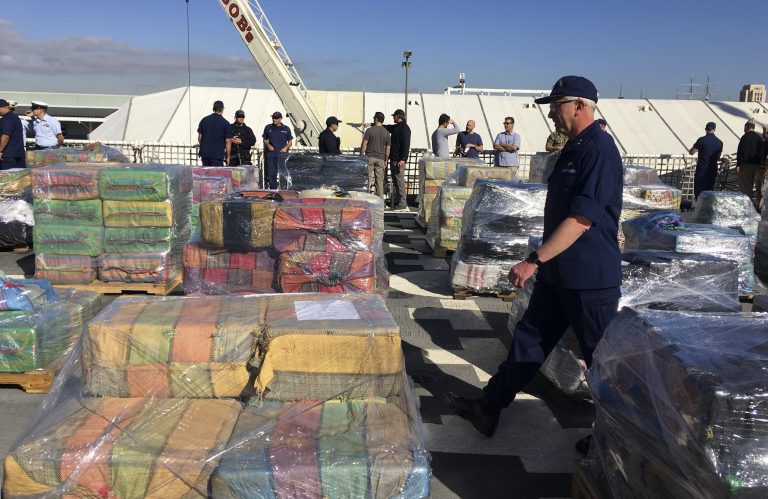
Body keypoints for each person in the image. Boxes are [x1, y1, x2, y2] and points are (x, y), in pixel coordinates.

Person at [447, 76, 623, 448]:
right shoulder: (574, 149)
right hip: (560, 274)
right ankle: (489, 407)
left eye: (556, 106)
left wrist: (534, 260)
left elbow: (581, 219)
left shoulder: (599, 150)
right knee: (528, 343)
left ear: (580, 106)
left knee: (602, 364)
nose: (551, 115)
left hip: (589, 279)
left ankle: (616, 441)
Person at [384, 109, 411, 210]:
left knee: (399, 181)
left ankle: (402, 202)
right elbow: (386, 126)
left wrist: (403, 159)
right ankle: (399, 200)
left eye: (394, 116)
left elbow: (406, 145)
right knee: (396, 180)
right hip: (395, 158)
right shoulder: (397, 127)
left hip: (399, 160)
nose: (393, 118)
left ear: (398, 116)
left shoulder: (405, 128)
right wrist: (373, 124)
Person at [689, 122, 723, 199]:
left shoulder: (701, 140)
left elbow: (691, 152)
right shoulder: (720, 142)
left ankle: (699, 207)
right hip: (713, 169)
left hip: (702, 169)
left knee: (699, 191)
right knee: (710, 191)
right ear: (714, 129)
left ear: (705, 129)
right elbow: (718, 157)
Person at [360, 112, 390, 198]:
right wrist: (386, 160)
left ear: (376, 119)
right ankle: (379, 201)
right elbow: (388, 149)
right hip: (381, 159)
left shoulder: (370, 130)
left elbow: (364, 144)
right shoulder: (386, 133)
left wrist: (361, 156)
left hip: (369, 157)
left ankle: (366, 198)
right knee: (379, 181)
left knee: (367, 179)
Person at [736, 120, 765, 207]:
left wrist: (738, 164)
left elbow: (742, 152)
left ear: (746, 127)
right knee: (759, 187)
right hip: (757, 165)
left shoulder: (745, 137)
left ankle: (747, 207)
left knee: (745, 187)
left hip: (746, 165)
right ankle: (759, 206)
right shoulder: (759, 137)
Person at [262, 111, 293, 189]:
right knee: (271, 172)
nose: (274, 120)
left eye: (276, 118)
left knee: (283, 172)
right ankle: (273, 189)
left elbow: (290, 141)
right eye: (273, 118)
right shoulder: (268, 127)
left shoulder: (286, 128)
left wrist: (286, 148)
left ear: (280, 119)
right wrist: (268, 145)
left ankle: (283, 188)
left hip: (282, 154)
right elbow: (264, 139)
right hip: (271, 154)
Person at [197, 100, 232, 167]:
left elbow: (199, 138)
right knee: (216, 176)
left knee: (206, 175)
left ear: (213, 108)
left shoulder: (204, 120)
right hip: (217, 155)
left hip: (205, 154)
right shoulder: (225, 123)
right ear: (222, 109)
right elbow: (228, 141)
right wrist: (228, 156)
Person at [0, 99, 26, 169]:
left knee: (7, 178)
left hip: (8, 155)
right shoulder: (14, 117)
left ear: (3, 107)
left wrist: (0, 150)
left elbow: (5, 136)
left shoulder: (7, 119)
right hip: (16, 153)